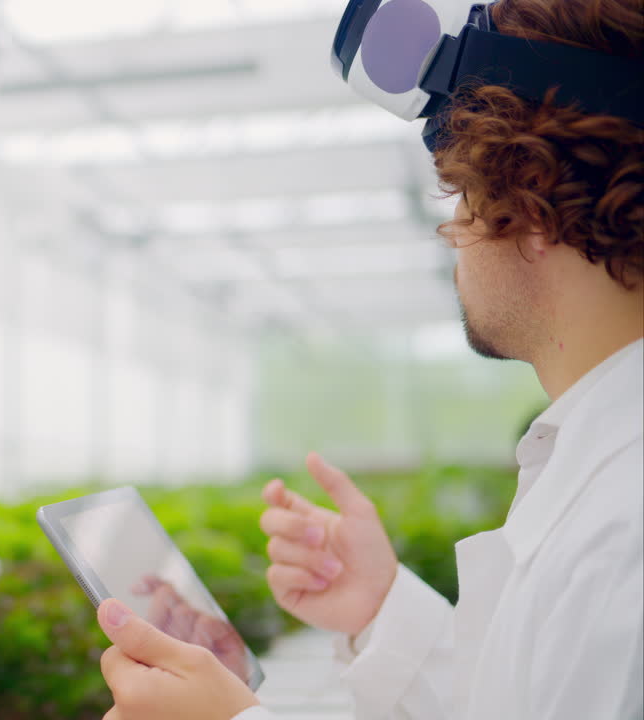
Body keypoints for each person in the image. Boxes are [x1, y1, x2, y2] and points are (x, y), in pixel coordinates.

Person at [94, 1, 643, 718]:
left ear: (530, 207)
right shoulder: (602, 471)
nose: (454, 233)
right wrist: (383, 608)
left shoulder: (621, 529)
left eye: (463, 195)